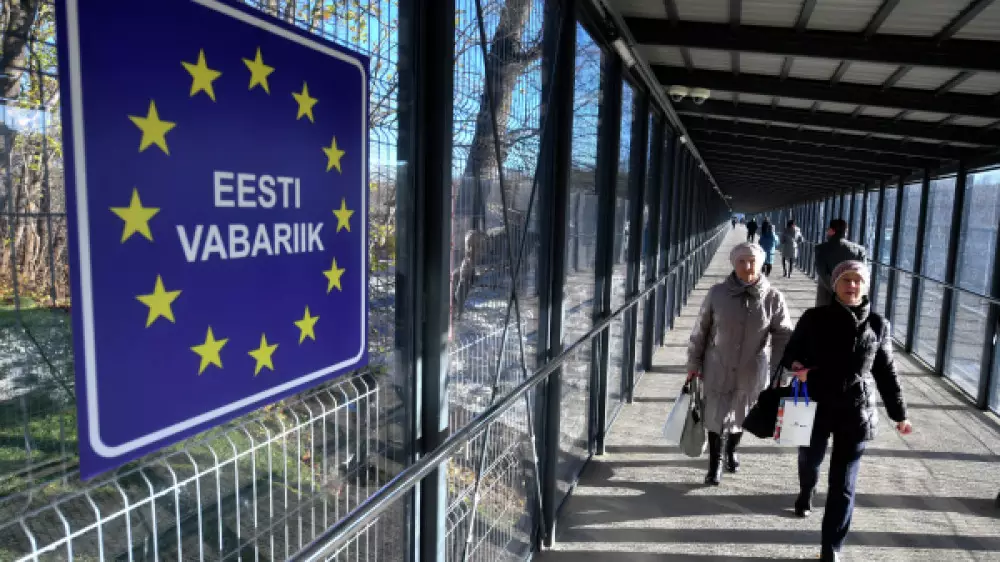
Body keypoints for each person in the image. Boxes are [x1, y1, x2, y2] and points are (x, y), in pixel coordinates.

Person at [780, 260, 912, 562]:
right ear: (835, 285)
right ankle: (806, 490)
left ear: (865, 286)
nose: (852, 286)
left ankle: (831, 549)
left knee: (843, 484)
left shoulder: (877, 324)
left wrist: (900, 414)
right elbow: (790, 353)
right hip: (815, 404)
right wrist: (797, 365)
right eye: (846, 280)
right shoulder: (814, 318)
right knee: (810, 460)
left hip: (856, 411)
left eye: (857, 281)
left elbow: (886, 372)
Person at [687, 242, 793, 486]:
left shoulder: (773, 297)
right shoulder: (717, 294)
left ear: (761, 263)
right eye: (741, 262)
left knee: (741, 413)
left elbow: (783, 336)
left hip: (751, 368)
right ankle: (715, 464)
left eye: (752, 261)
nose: (747, 266)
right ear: (733, 264)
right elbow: (701, 330)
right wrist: (693, 364)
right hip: (717, 365)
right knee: (715, 415)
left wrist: (780, 372)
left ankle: (732, 450)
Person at [814, 218, 866, 307]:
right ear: (846, 231)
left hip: (826, 300)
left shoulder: (821, 249)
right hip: (850, 298)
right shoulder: (859, 250)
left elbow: (822, 273)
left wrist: (837, 291)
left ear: (831, 231)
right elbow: (862, 276)